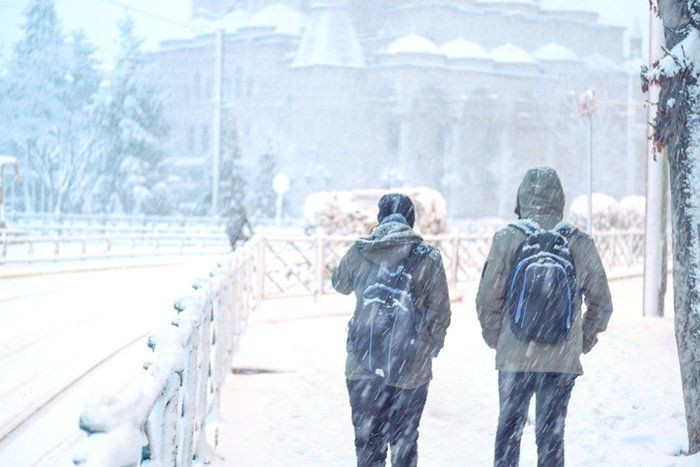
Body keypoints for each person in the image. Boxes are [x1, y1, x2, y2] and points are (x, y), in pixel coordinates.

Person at [476, 167, 613, 467]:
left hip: (515, 358)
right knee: (551, 437)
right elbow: (602, 304)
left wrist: (500, 339)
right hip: (561, 359)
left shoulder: (507, 239)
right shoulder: (579, 242)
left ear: (523, 197)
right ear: (559, 199)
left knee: (508, 433)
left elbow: (487, 300)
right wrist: (580, 342)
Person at [332, 193, 451, 467]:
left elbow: (339, 282)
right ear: (411, 220)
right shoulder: (428, 257)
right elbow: (441, 314)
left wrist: (365, 241)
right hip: (411, 373)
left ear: (379, 219)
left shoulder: (362, 250)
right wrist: (424, 351)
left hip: (363, 367)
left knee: (369, 448)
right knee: (405, 446)